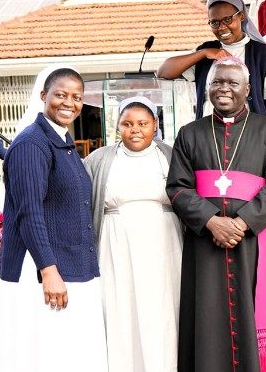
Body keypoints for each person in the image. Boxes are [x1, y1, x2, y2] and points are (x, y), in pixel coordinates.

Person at [166, 57, 266, 371]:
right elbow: (177, 187)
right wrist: (212, 221)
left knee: (255, 316)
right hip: (205, 245)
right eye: (216, 82)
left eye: (231, 83)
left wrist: (241, 223)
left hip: (253, 244)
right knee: (208, 320)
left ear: (248, 90)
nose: (223, 89)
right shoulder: (189, 133)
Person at [0, 67, 108, 372]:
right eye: (60, 94)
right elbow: (29, 213)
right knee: (48, 356)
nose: (68, 103)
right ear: (44, 96)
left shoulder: (61, 141)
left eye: (76, 97)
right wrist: (49, 271)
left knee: (70, 353)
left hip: (71, 263)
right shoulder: (32, 145)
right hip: (45, 270)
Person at [84, 96, 182, 372]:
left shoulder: (171, 155)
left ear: (155, 124)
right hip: (115, 244)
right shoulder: (99, 159)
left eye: (142, 123)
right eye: (127, 124)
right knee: (120, 309)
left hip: (164, 244)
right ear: (118, 126)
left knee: (162, 309)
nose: (135, 130)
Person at [157, 0, 266, 122]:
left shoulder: (264, 55)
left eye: (227, 19)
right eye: (215, 22)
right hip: (208, 134)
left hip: (250, 136)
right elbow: (163, 72)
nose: (221, 27)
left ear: (241, 16)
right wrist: (204, 53)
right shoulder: (205, 52)